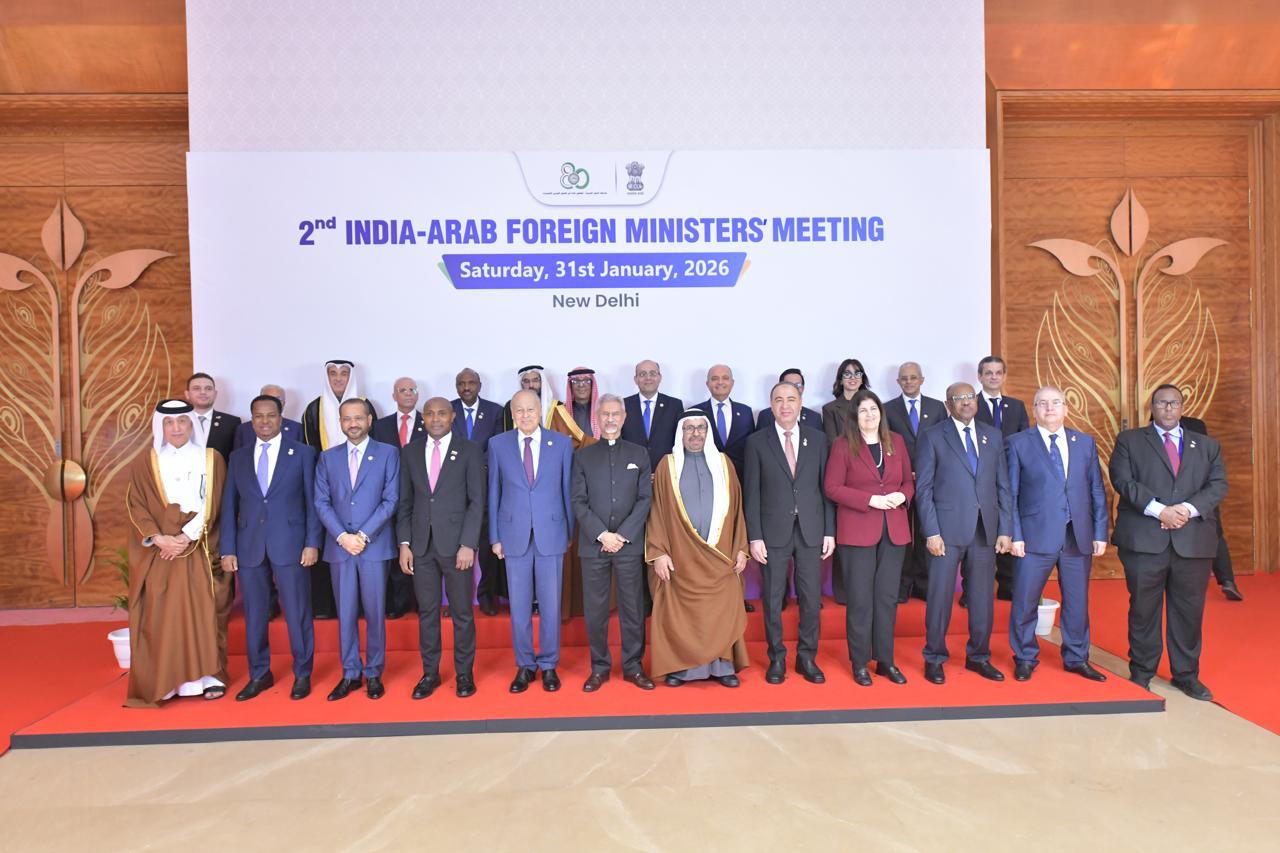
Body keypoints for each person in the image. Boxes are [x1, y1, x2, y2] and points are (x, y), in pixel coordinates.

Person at [1111, 385, 1228, 700]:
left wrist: (1185, 512)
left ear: (1182, 406)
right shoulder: (1130, 441)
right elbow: (1123, 480)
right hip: (1144, 541)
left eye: (1173, 403)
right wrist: (1160, 510)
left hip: (1192, 542)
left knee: (1189, 611)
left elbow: (1218, 485)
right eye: (1161, 403)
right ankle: (1141, 672)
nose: (1167, 408)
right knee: (1144, 609)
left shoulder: (1206, 445)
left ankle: (1186, 675)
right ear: (1152, 406)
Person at [123, 400, 227, 706]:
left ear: (191, 424)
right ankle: (167, 681)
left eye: (182, 422)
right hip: (161, 552)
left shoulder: (211, 458)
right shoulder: (147, 462)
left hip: (198, 546)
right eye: (170, 423)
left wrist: (185, 536)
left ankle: (208, 677)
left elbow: (214, 500)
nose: (177, 428)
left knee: (203, 611)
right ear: (161, 427)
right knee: (161, 613)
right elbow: (136, 505)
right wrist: (159, 539)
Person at [1006, 385, 1110, 683]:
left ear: (1066, 408)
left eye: (1056, 403)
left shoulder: (1085, 443)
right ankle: (1025, 656)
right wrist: (1015, 535)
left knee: (1077, 603)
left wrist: (1100, 531)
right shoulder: (1017, 443)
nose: (1049, 408)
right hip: (1034, 536)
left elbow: (1096, 490)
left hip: (1077, 536)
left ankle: (1077, 658)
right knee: (1025, 601)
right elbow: (1010, 494)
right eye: (1042, 403)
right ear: (1034, 410)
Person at [221, 394, 322, 701]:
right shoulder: (238, 457)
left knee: (297, 612)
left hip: (291, 545)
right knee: (255, 614)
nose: (264, 422)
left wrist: (312, 543)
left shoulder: (303, 453)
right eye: (258, 417)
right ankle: (259, 673)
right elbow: (229, 506)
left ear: (281, 418)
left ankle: (302, 673)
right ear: (251, 420)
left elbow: (312, 503)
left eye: (270, 416)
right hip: (249, 546)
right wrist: (228, 549)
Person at [914, 382, 1012, 684]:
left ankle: (978, 656)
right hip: (945, 531)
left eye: (970, 397)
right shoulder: (933, 436)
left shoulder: (992, 435)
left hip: (985, 531)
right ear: (948, 404)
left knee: (982, 598)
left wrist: (1005, 529)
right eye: (959, 398)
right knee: (940, 597)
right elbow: (924, 489)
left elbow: (1003, 486)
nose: (966, 402)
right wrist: (931, 531)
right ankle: (934, 656)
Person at [646, 409, 750, 687]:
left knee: (721, 609)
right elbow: (655, 512)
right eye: (689, 428)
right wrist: (658, 552)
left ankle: (722, 666)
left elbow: (739, 509)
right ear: (681, 433)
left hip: (721, 555)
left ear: (708, 432)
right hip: (681, 558)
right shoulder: (666, 466)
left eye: (700, 428)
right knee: (682, 615)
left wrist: (741, 547)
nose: (695, 433)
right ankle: (682, 668)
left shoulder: (724, 464)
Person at [743, 381, 835, 685]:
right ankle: (777, 659)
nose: (785, 405)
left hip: (811, 531)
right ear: (771, 406)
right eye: (779, 400)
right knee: (772, 598)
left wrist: (829, 531)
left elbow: (826, 490)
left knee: (810, 598)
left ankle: (807, 658)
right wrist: (754, 536)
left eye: (791, 399)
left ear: (800, 403)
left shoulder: (819, 440)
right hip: (772, 533)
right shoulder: (757, 442)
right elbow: (752, 493)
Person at [824, 389, 914, 686]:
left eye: (873, 409)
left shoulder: (896, 442)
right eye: (863, 411)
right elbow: (832, 487)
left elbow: (907, 480)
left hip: (894, 530)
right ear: (854, 417)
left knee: (887, 599)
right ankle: (860, 662)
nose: (869, 415)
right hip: (858, 531)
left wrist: (903, 494)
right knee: (861, 600)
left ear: (881, 413)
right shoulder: (842, 446)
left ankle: (885, 660)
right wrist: (869, 500)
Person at [398, 397, 486, 699]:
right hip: (421, 547)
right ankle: (430, 674)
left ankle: (464, 675)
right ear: (423, 418)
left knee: (462, 613)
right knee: (428, 612)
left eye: (442, 413)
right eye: (430, 414)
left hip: (456, 546)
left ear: (452, 417)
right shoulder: (409, 452)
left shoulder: (470, 451)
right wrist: (405, 543)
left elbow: (477, 502)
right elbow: (405, 502)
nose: (436, 418)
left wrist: (468, 544)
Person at [488, 389, 575, 693]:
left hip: (551, 534)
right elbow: (493, 492)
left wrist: (569, 532)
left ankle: (549, 664)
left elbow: (566, 490)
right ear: (512, 414)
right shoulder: (498, 445)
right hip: (513, 536)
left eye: (530, 410)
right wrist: (495, 536)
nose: (525, 416)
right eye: (519, 411)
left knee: (550, 606)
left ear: (541, 412)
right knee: (520, 606)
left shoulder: (561, 444)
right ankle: (525, 665)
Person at [314, 399, 400, 701]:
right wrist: (342, 537)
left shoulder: (388, 454)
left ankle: (374, 672)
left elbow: (391, 500)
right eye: (347, 419)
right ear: (340, 422)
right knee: (346, 613)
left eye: (358, 418)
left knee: (375, 612)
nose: (353, 423)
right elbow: (321, 502)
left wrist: (362, 535)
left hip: (373, 546)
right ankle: (350, 672)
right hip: (341, 549)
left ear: (369, 420)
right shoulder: (327, 458)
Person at [570, 394, 655, 691]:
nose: (610, 420)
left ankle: (633, 666)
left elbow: (646, 499)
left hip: (629, 544)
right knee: (595, 610)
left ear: (624, 417)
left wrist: (622, 535)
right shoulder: (582, 456)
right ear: (598, 417)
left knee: (633, 607)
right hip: (594, 545)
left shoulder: (639, 453)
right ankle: (599, 667)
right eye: (605, 414)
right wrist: (602, 534)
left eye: (615, 414)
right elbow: (578, 501)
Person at [301, 360, 375, 619]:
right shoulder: (314, 408)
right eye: (332, 373)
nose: (338, 378)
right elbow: (310, 452)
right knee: (328, 548)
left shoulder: (366, 404)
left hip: (364, 497)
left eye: (344, 373)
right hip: (328, 491)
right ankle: (326, 606)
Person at [1152, 413, 1242, 602]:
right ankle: (1227, 580)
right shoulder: (1197, 424)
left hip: (1175, 492)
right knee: (1214, 532)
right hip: (1202, 491)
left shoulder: (1156, 424)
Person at [883, 361, 947, 603]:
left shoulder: (937, 407)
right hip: (898, 484)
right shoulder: (887, 409)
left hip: (930, 483)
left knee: (925, 533)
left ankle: (923, 584)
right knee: (900, 537)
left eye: (913, 377)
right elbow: (886, 445)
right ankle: (901, 585)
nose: (909, 381)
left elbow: (943, 441)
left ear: (922, 379)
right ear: (898, 382)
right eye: (904, 378)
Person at [972, 355, 1030, 602]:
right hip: (979, 478)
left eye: (998, 372)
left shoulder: (1016, 406)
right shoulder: (970, 404)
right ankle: (972, 591)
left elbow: (1025, 442)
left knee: (1009, 526)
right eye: (988, 372)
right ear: (980, 376)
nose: (993, 377)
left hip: (1011, 477)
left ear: (1004, 376)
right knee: (979, 532)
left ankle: (1008, 586)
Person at [451, 368, 507, 615]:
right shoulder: (447, 410)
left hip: (485, 486)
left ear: (479, 385)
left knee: (486, 548)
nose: (466, 387)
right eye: (461, 383)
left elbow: (496, 447)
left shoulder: (495, 411)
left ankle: (486, 596)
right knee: (452, 546)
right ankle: (457, 600)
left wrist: (473, 466)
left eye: (471, 383)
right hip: (452, 488)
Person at [370, 376, 424, 618]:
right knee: (395, 549)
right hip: (389, 495)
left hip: (422, 496)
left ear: (417, 394)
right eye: (402, 390)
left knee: (423, 549)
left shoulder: (430, 420)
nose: (408, 393)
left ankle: (424, 602)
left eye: (412, 389)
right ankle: (399, 603)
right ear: (394, 396)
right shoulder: (380, 426)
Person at [820, 358, 871, 607]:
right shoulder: (831, 409)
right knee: (845, 535)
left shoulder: (872, 405)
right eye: (847, 374)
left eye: (857, 373)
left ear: (863, 378)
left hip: (871, 479)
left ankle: (866, 590)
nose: (852, 377)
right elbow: (833, 443)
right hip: (844, 477)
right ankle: (843, 592)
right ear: (840, 379)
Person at [694, 364, 755, 480]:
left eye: (725, 378)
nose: (720, 382)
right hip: (705, 477)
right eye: (715, 379)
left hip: (739, 478)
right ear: (707, 384)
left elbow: (752, 447)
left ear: (732, 383)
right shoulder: (696, 412)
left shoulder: (745, 411)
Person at [621, 359, 683, 470]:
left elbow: (679, 441)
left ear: (660, 377)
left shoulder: (674, 405)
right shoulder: (623, 405)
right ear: (635, 379)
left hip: (665, 472)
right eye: (642, 374)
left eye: (652, 373)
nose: (648, 378)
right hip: (631, 472)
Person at [183, 372, 240, 462]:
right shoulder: (176, 422)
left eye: (208, 389)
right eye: (196, 388)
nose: (203, 392)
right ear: (187, 394)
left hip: (219, 475)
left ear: (215, 394)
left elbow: (237, 459)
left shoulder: (232, 423)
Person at [234, 384, 303, 450]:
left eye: (278, 399)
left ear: (284, 403)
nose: (273, 403)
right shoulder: (243, 429)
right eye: (268, 398)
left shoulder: (297, 429)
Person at [756, 369, 821, 431]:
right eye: (789, 384)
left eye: (798, 385)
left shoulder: (814, 418)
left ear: (803, 388)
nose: (793, 388)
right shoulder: (765, 416)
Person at [502, 364, 558, 431]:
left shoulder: (557, 406)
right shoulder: (511, 405)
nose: (531, 385)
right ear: (521, 384)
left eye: (535, 380)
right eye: (526, 381)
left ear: (542, 382)